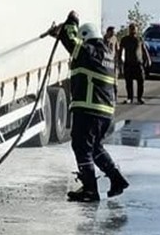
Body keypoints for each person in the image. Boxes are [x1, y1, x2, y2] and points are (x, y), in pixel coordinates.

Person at [48, 11, 128, 202]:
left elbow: (70, 38)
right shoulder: (106, 53)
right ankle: (117, 178)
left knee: (81, 146)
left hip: (89, 109)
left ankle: (90, 190)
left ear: (85, 37)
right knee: (94, 147)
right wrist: (58, 34)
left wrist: (72, 21)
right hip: (105, 112)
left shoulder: (88, 51)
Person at [115, 23, 151, 104]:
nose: (133, 30)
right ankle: (129, 98)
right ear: (129, 30)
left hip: (138, 64)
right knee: (128, 82)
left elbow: (144, 49)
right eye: (131, 29)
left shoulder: (139, 39)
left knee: (141, 81)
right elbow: (120, 50)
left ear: (137, 30)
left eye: (134, 29)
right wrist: (119, 61)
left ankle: (140, 98)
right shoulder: (125, 39)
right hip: (128, 63)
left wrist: (148, 59)